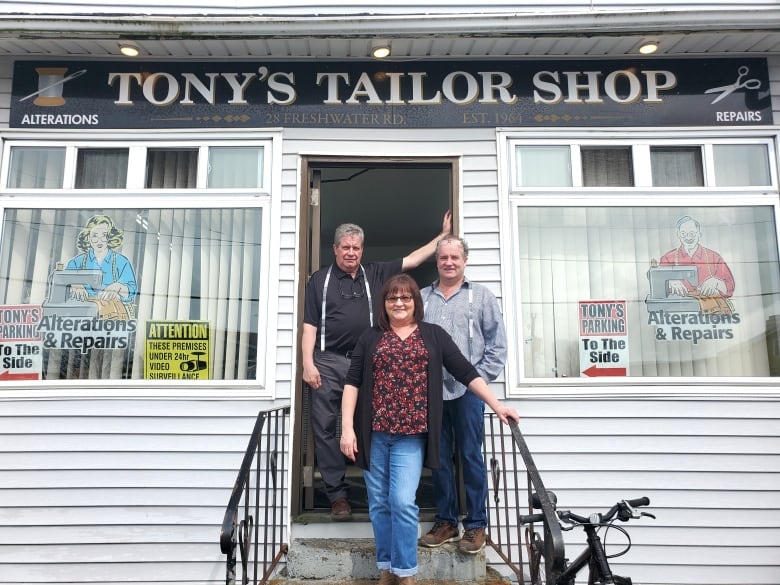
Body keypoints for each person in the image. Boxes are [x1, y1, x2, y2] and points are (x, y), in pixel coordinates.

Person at [339, 274, 519, 585]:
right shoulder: (370, 337)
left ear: (415, 302)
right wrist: (347, 429)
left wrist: (496, 405)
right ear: (384, 304)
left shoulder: (432, 335)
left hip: (411, 436)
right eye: (392, 298)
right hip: (374, 434)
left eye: (405, 297)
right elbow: (352, 383)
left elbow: (465, 371)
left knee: (401, 501)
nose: (399, 303)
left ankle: (405, 571)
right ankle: (386, 566)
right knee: (379, 504)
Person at [302, 211, 452, 520]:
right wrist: (307, 363)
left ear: (362, 250)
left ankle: (381, 493)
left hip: (370, 362)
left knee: (371, 426)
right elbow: (310, 326)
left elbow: (411, 260)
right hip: (328, 361)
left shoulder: (375, 273)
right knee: (328, 429)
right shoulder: (319, 280)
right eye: (346, 247)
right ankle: (338, 496)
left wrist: (442, 237)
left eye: (356, 247)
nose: (351, 253)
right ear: (335, 249)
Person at [419, 236, 507, 554]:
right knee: (439, 459)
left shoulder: (481, 296)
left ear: (465, 260)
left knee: (471, 456)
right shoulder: (422, 298)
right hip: (433, 392)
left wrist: (480, 380)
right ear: (437, 261)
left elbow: (497, 344)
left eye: (455, 257)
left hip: (470, 391)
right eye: (443, 257)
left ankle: (475, 525)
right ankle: (446, 522)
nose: (449, 262)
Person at [64, 214, 137, 319]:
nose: (99, 240)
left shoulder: (122, 262)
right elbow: (62, 283)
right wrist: (73, 284)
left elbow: (132, 293)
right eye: (94, 235)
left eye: (104, 235)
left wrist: (119, 287)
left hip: (112, 319)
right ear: (88, 237)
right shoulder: (76, 263)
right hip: (81, 319)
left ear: (110, 236)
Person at [659, 215, 735, 298]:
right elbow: (657, 283)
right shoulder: (667, 258)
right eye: (683, 234)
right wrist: (669, 282)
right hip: (677, 308)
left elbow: (730, 288)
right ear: (678, 235)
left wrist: (716, 282)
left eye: (692, 233)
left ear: (699, 234)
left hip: (709, 308)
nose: (688, 237)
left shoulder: (715, 258)